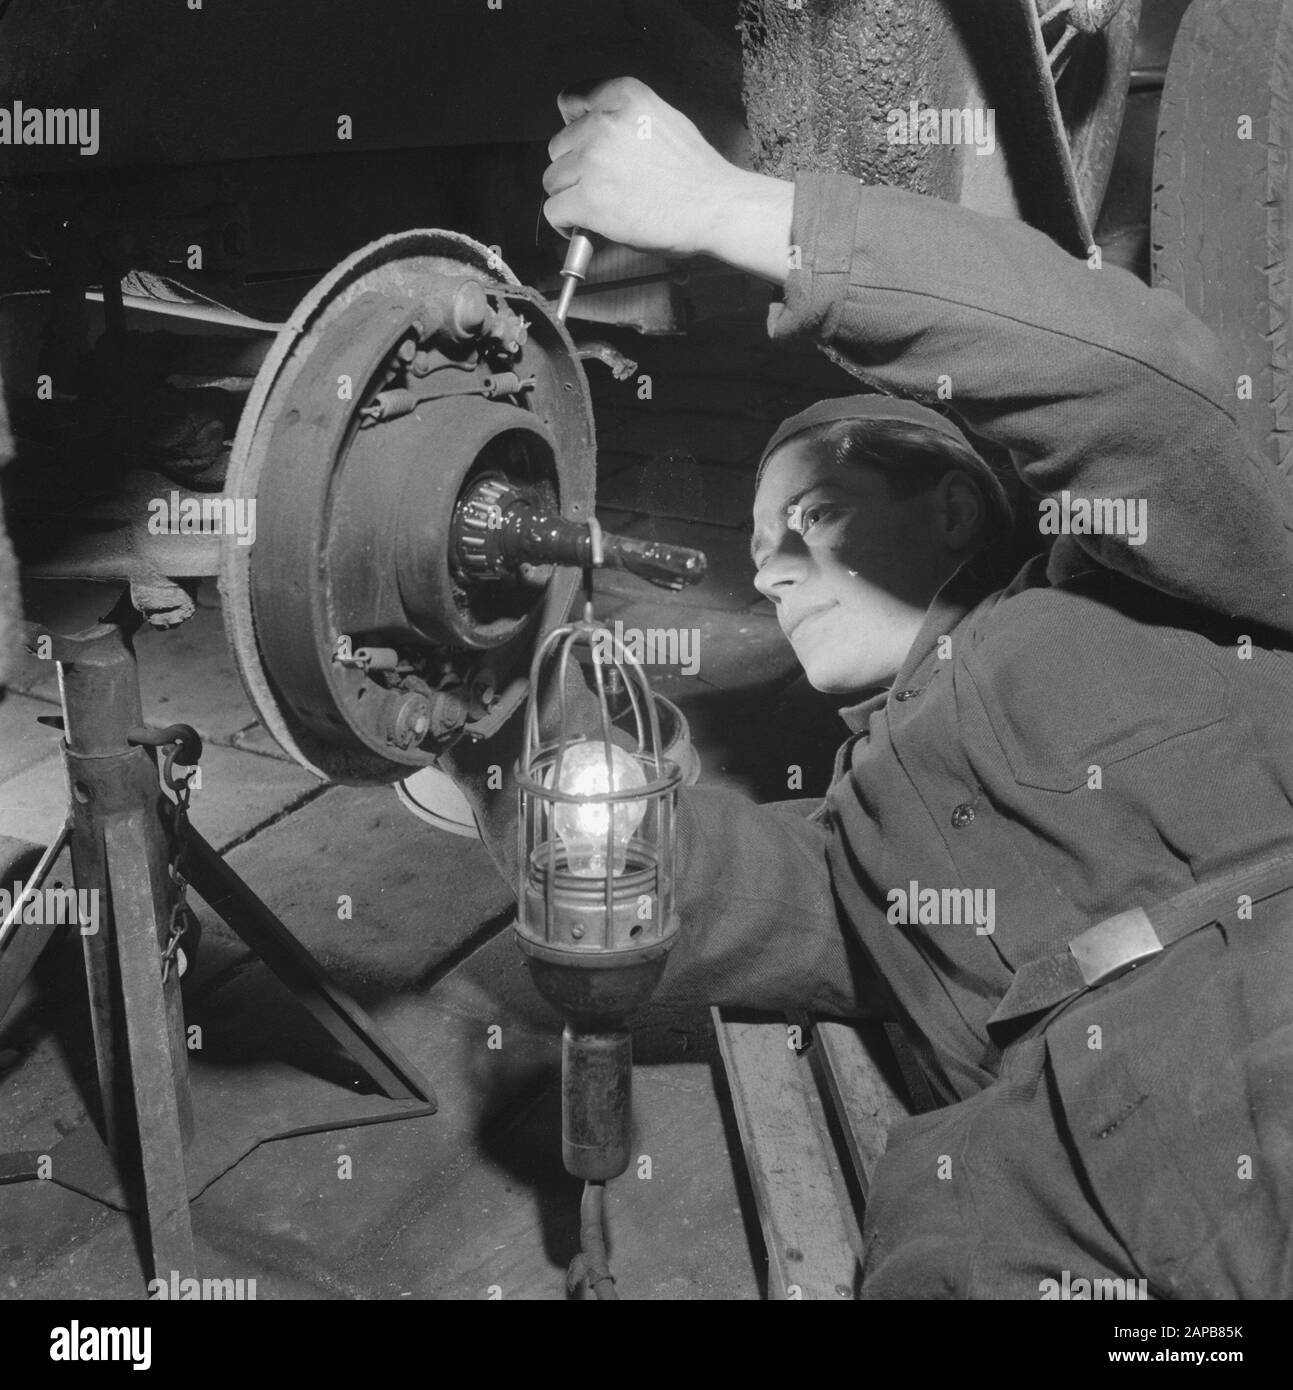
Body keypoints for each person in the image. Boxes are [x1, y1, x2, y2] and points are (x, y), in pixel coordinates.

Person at [446, 77, 1293, 1299]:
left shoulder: (1140, 587)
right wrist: (483, 663)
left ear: (952, 501)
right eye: (756, 551)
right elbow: (654, 885)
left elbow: (1142, 385)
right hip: (1026, 1196)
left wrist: (741, 211)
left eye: (813, 517)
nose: (771, 571)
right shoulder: (851, 845)